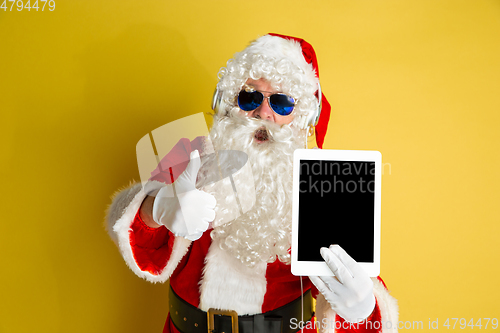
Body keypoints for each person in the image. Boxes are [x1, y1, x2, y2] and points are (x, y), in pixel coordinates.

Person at [106, 33, 398, 333]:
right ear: (230, 102)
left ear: (303, 117)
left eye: (282, 102)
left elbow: (351, 282)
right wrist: (157, 208)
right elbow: (139, 241)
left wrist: (362, 309)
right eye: (250, 97)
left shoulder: (323, 182)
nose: (262, 112)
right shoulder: (192, 155)